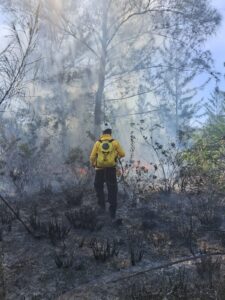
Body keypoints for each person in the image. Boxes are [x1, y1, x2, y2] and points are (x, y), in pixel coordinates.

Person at [90, 122, 125, 219]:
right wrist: (114, 157)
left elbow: (92, 157)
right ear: (110, 132)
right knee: (112, 189)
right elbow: (122, 154)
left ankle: (102, 206)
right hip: (111, 169)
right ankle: (112, 213)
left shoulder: (98, 143)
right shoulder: (115, 142)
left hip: (99, 170)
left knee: (98, 186)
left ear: (102, 132)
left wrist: (94, 164)